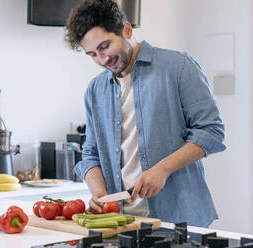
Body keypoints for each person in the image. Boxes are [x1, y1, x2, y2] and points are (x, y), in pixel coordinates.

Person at [65, 0, 226, 227]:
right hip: (121, 222)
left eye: (104, 47)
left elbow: (212, 132)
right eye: (92, 54)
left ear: (127, 30)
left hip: (178, 219)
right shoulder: (95, 89)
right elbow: (91, 153)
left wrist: (162, 170)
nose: (102, 60)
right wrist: (100, 194)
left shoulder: (178, 66)